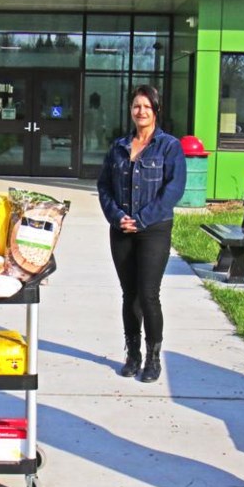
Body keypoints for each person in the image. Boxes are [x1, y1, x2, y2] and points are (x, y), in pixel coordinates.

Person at [96, 85, 186, 383]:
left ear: (156, 110)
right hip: (121, 230)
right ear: (131, 111)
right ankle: (132, 355)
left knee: (149, 295)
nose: (141, 111)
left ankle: (153, 358)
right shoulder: (119, 146)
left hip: (154, 230)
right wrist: (117, 216)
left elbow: (173, 189)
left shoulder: (169, 146)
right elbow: (104, 186)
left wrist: (142, 219)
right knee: (129, 295)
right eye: (136, 106)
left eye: (147, 106)